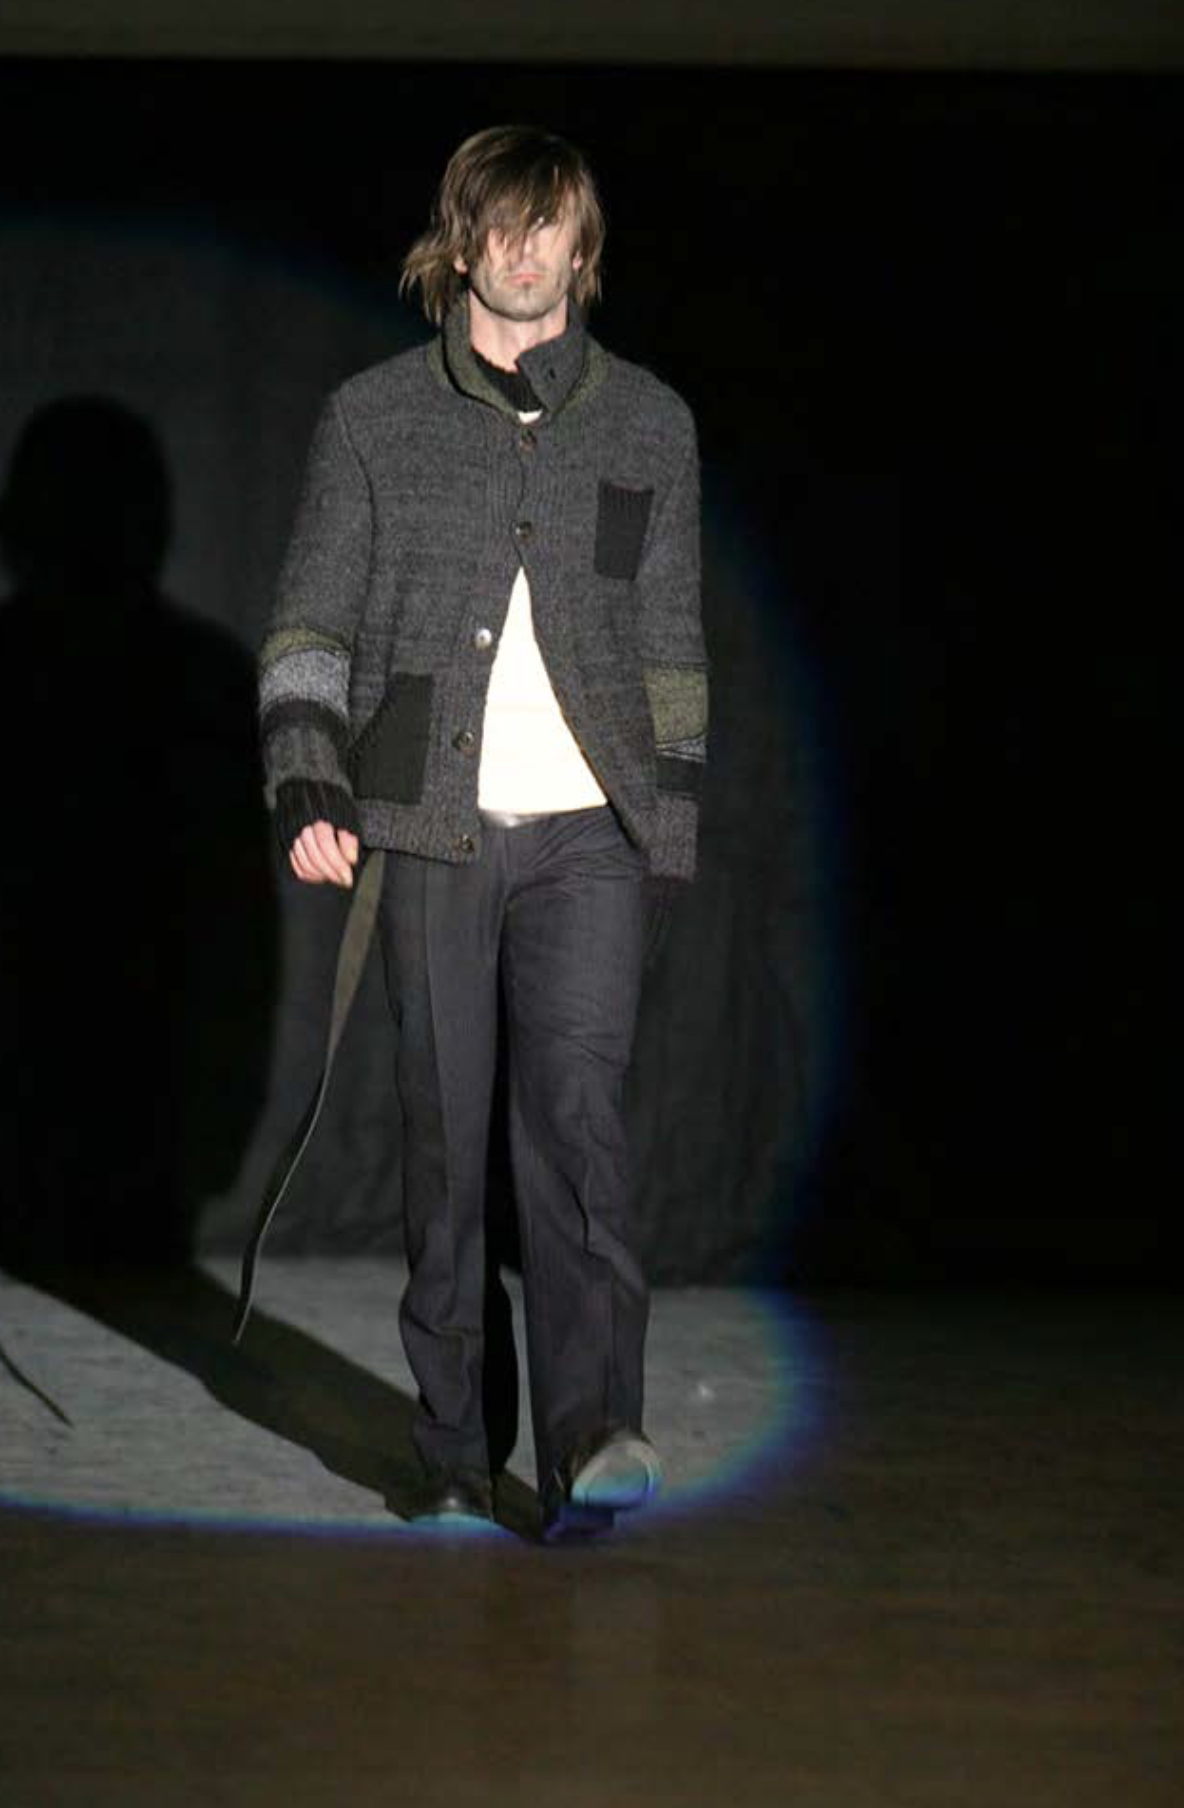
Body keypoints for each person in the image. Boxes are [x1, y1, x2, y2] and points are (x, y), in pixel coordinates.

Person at [256, 124, 709, 1541]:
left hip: (591, 836)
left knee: (575, 1131)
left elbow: (672, 649)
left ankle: (591, 1444)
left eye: (548, 226)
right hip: (429, 827)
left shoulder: (649, 424)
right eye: (500, 226)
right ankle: (454, 1444)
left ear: (584, 246)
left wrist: (670, 825)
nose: (524, 252)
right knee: (447, 1145)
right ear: (461, 243)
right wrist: (307, 778)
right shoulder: (374, 417)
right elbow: (308, 627)